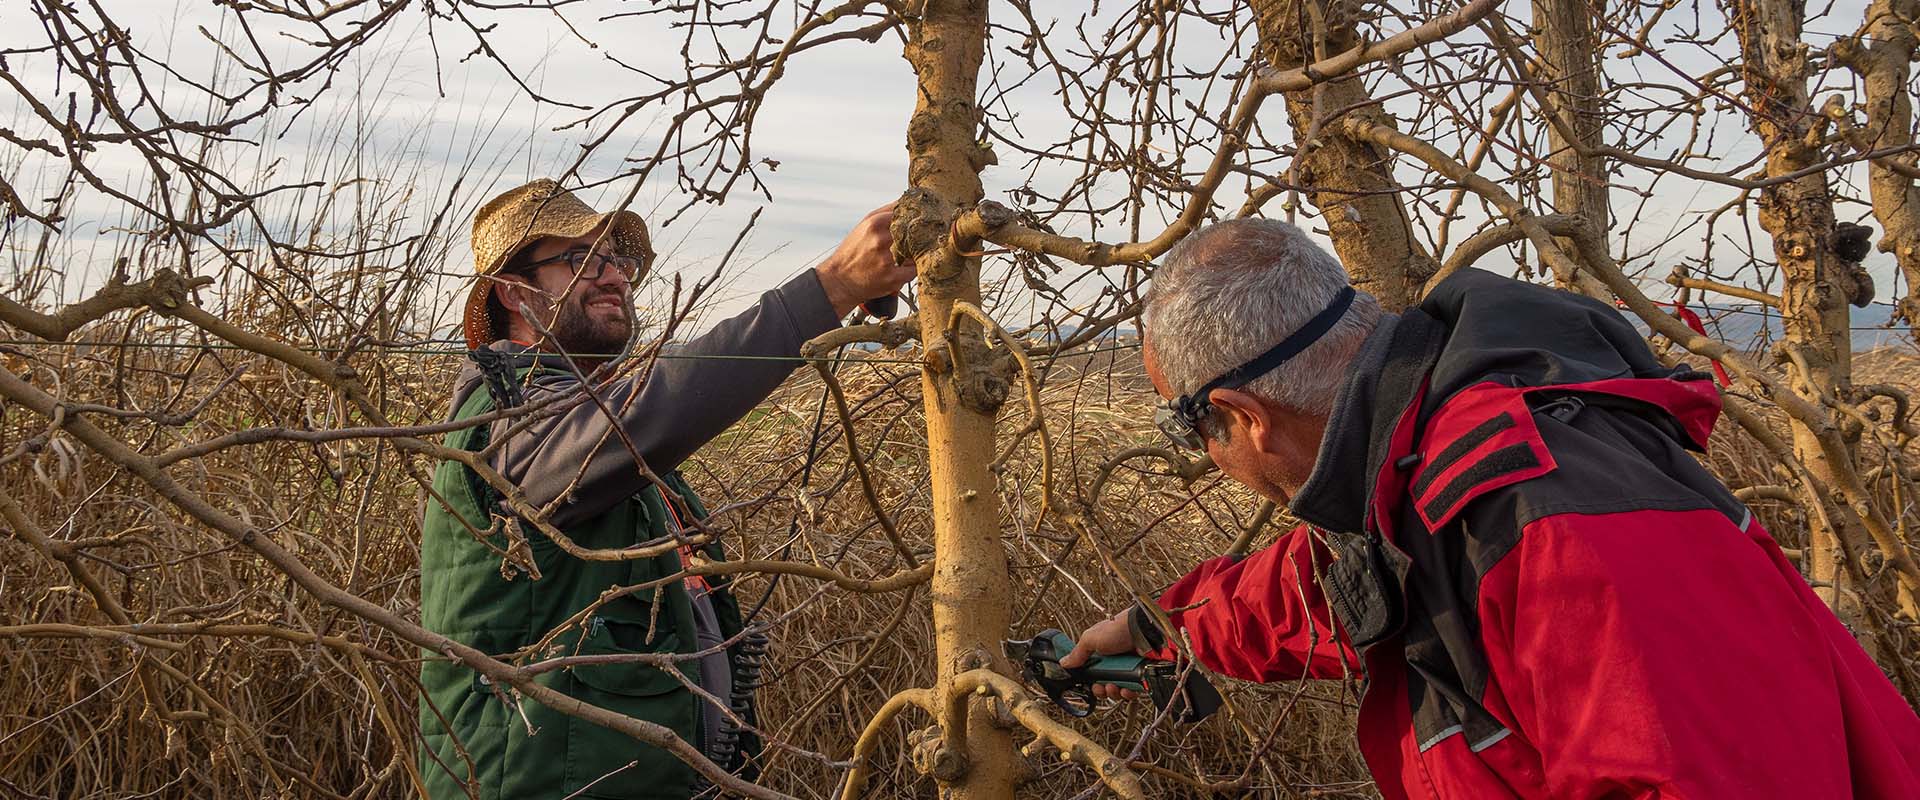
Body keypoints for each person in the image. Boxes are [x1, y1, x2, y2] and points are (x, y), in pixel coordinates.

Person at [1066, 218, 1920, 798]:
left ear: (1246, 416)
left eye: (1193, 430)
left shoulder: (1555, 519)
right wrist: (1161, 625)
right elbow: (1341, 585)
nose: (1206, 460)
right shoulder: (1435, 470)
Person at [417, 179, 912, 799]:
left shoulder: (586, 415)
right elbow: (653, 410)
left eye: (618, 260)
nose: (614, 277)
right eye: (581, 259)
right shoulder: (502, 418)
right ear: (513, 291)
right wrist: (832, 287)